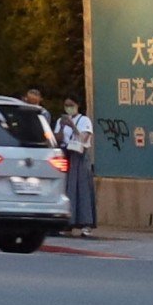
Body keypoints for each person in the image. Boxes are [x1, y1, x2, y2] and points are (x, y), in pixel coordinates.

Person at [56, 92, 98, 233]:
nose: (68, 108)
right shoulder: (61, 121)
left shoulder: (84, 120)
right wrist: (62, 127)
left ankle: (86, 223)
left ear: (77, 105)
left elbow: (84, 139)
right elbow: (57, 139)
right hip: (66, 155)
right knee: (67, 189)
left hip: (79, 156)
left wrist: (73, 126)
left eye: (71, 105)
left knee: (82, 189)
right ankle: (68, 222)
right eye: (66, 105)